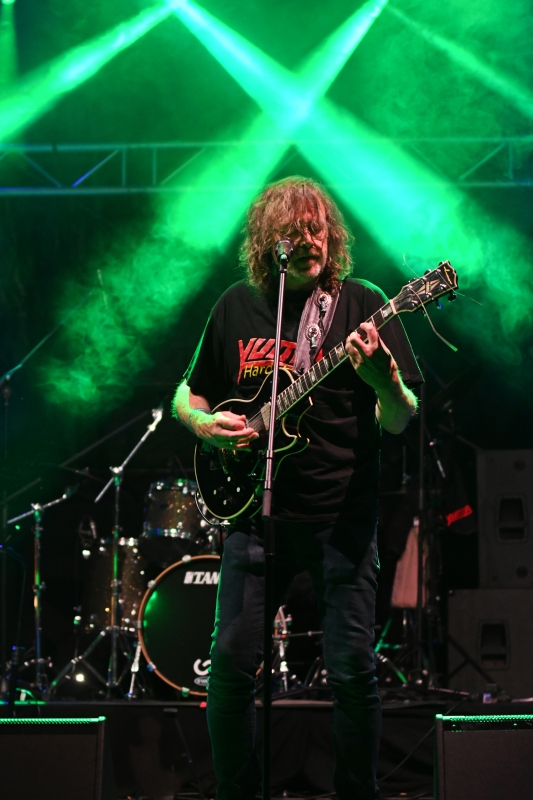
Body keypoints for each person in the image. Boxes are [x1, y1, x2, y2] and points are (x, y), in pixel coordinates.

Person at [174, 176, 422, 800]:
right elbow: (187, 393)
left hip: (342, 520)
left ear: (331, 236)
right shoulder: (236, 305)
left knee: (352, 671)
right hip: (256, 519)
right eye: (294, 231)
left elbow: (401, 418)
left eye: (317, 229)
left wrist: (384, 381)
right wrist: (203, 426)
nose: (309, 240)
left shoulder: (364, 304)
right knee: (231, 669)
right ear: (269, 241)